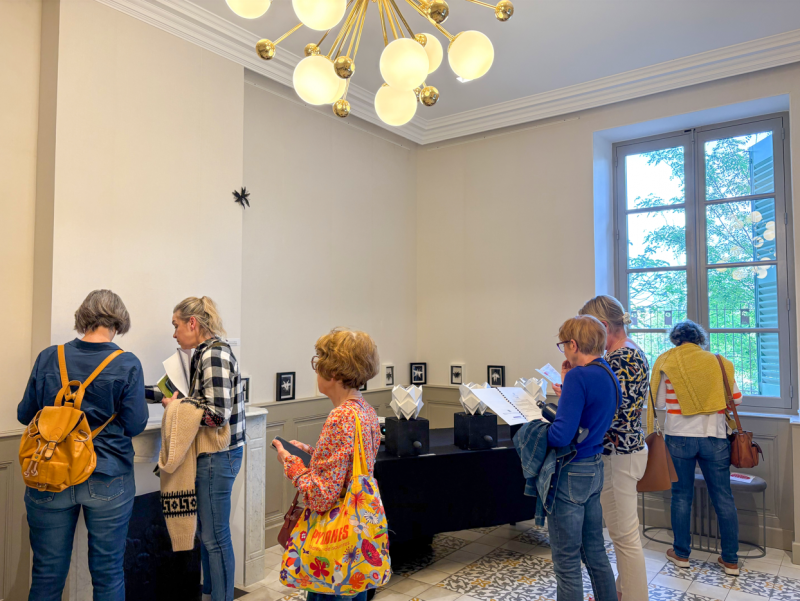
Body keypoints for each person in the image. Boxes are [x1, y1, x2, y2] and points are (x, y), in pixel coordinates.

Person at [18, 289, 148, 601]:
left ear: (83, 319)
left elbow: (25, 415)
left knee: (47, 574)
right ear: (117, 323)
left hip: (49, 475)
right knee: (107, 573)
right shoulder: (126, 363)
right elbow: (134, 425)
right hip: (107, 477)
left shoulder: (50, 356)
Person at [146, 296, 245, 601]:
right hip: (215, 456)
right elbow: (192, 403)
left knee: (215, 539)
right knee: (210, 537)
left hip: (218, 456)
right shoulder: (202, 354)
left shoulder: (213, 355)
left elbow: (217, 414)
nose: (174, 333)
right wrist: (142, 390)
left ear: (193, 323)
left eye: (176, 325)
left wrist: (177, 407)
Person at [274, 328, 382, 601]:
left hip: (334, 545)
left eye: (319, 362)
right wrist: (310, 452)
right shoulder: (365, 412)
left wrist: (291, 464)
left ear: (333, 373)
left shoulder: (340, 417)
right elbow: (347, 466)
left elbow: (322, 496)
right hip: (355, 543)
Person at [651, 320, 742, 576]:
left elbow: (658, 402)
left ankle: (681, 554)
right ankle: (731, 560)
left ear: (675, 340)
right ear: (699, 338)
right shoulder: (718, 362)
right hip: (714, 436)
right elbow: (736, 399)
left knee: (681, 496)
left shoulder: (667, 362)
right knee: (723, 497)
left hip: (679, 435)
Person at [578, 295, 649, 601]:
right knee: (623, 534)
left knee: (624, 536)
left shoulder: (623, 359)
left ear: (604, 326)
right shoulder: (627, 352)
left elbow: (612, 411)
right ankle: (621, 592)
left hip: (619, 454)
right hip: (625, 451)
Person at [548, 315, 619, 601]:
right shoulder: (606, 372)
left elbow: (562, 436)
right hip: (594, 467)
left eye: (563, 345)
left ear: (574, 344)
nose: (563, 351)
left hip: (571, 470)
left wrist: (542, 430)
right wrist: (567, 385)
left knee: (566, 561)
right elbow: (589, 414)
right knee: (595, 552)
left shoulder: (579, 376)